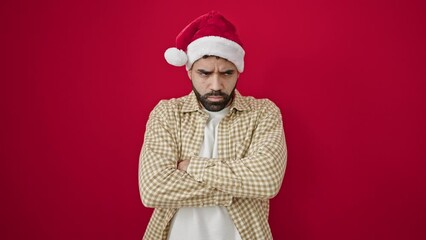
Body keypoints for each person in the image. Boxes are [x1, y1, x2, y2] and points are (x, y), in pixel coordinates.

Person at [138, 11, 287, 240]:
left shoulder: (263, 112)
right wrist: (238, 187)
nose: (216, 84)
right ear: (188, 71)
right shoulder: (167, 113)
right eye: (204, 73)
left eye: (226, 73)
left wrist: (191, 167)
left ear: (238, 71)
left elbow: (266, 181)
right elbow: (153, 189)